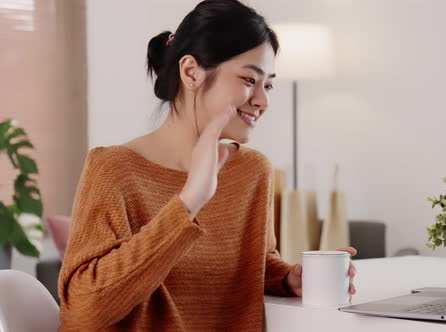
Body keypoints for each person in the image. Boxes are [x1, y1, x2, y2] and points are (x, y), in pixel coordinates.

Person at [58, 1, 356, 330]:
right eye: (248, 79)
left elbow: (252, 265)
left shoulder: (253, 171)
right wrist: (189, 202)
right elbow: (81, 311)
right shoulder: (114, 169)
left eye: (268, 84)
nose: (263, 100)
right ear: (191, 72)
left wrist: (288, 278)